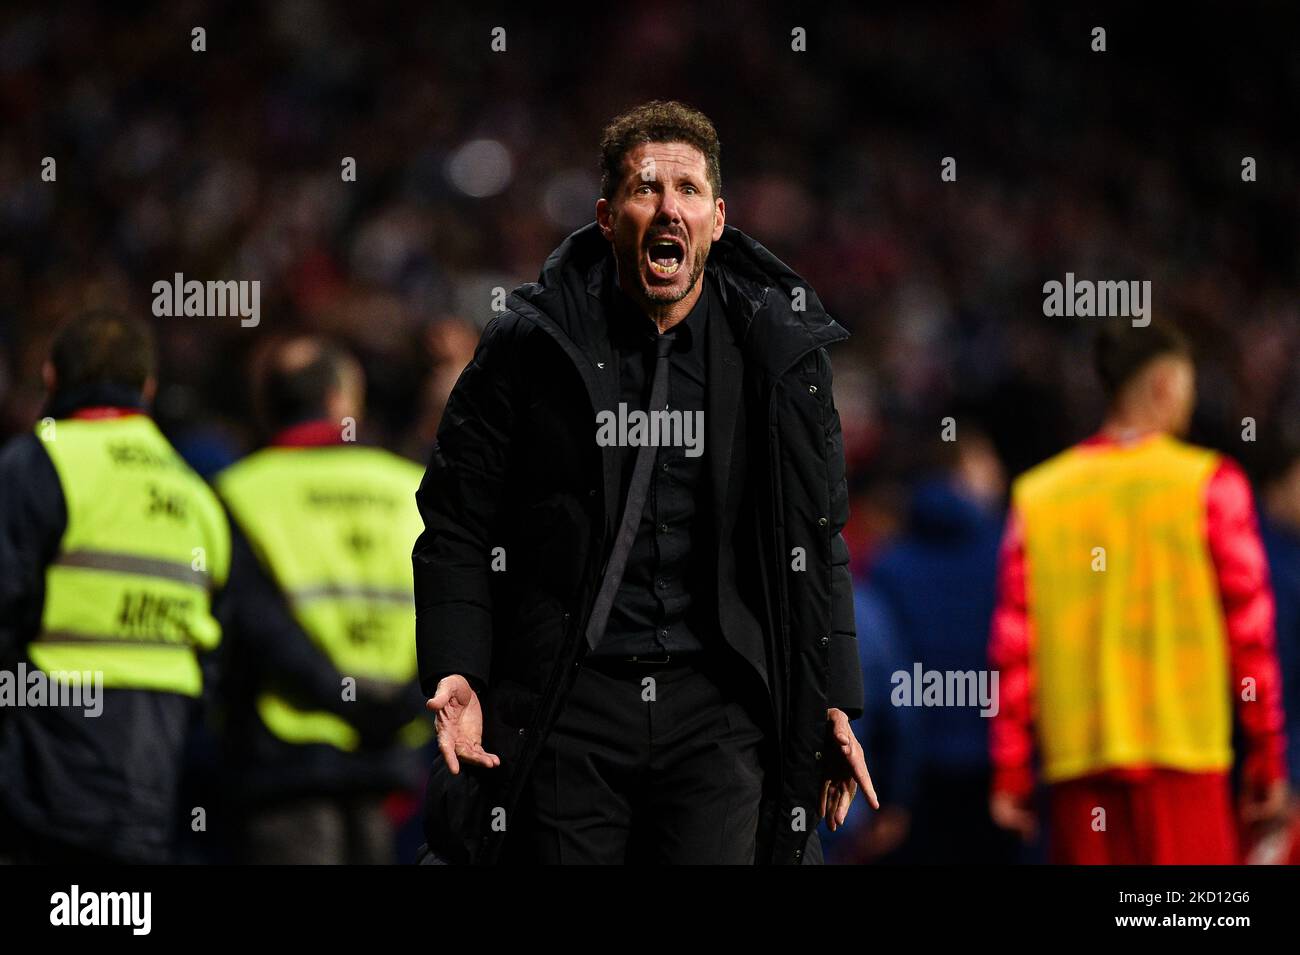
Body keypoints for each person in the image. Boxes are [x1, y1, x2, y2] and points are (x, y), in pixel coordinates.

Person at [415, 100, 876, 865]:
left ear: (719, 218)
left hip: (720, 709)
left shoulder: (780, 355)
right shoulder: (528, 347)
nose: (670, 207)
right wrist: (457, 665)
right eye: (645, 189)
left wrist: (831, 696)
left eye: (689, 190)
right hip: (570, 700)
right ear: (606, 216)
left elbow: (815, 537)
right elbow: (458, 521)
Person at [989, 322, 1289, 864]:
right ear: (1165, 386)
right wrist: (1267, 758)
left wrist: (1011, 770)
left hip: (1079, 770)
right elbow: (1251, 636)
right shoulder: (1210, 483)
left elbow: (1014, 648)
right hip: (1187, 760)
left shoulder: (1039, 496)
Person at [0, 311, 231, 863]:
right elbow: (218, 642)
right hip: (156, 761)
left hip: (42, 763)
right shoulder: (196, 494)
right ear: (148, 388)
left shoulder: (35, 464)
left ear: (51, 377)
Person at [215, 337, 429, 864]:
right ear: (342, 400)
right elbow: (454, 610)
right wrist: (396, 705)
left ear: (267, 405)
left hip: (283, 763)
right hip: (391, 751)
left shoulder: (239, 491)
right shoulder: (413, 488)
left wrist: (339, 697)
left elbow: (256, 627)